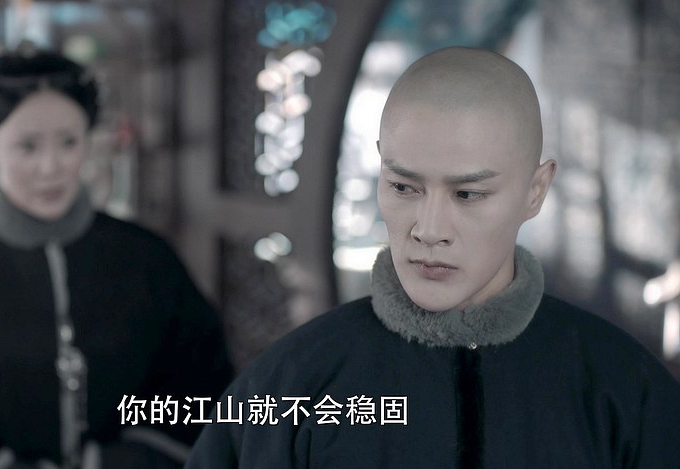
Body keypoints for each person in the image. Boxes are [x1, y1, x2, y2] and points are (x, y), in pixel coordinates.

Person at [183, 47, 680, 468]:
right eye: (403, 186)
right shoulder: (289, 387)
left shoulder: (622, 391)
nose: (429, 229)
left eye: (468, 194)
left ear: (535, 191)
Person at [0, 49, 232, 468]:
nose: (51, 166)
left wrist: (125, 460)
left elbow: (202, 382)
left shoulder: (147, 260)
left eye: (68, 142)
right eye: (28, 146)